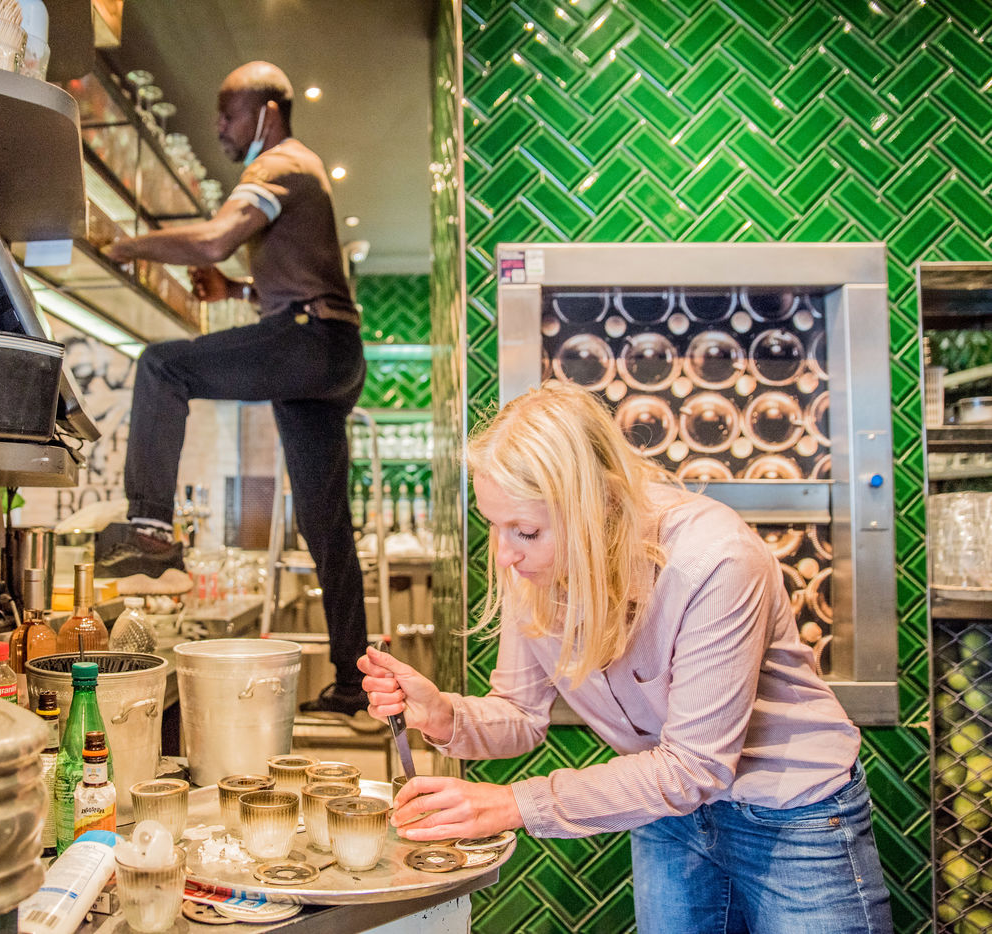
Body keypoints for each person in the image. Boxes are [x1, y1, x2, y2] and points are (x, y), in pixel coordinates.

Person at [360, 381, 893, 933]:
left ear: (603, 503)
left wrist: (514, 804)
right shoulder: (532, 567)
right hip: (667, 813)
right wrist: (441, 713)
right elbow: (520, 714)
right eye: (494, 525)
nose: (504, 554)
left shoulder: (715, 560)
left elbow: (695, 767)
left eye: (526, 530)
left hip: (792, 815)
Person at [96, 61, 370, 716]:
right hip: (333, 352)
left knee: (163, 366)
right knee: (326, 525)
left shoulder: (278, 164)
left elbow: (216, 239)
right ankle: (352, 682)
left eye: (228, 112)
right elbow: (296, 278)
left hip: (308, 341)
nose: (219, 126)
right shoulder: (301, 170)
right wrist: (236, 291)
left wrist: (126, 247)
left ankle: (148, 530)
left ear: (267, 113)